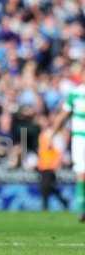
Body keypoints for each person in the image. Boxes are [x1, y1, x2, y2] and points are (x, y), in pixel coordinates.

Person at [50, 84, 85, 222]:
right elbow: (63, 115)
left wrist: (53, 132)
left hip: (79, 139)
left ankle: (82, 208)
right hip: (79, 138)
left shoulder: (75, 93)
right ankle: (82, 209)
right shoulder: (75, 93)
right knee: (81, 172)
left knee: (82, 173)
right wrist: (53, 132)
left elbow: (63, 116)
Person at [37, 117, 68, 211]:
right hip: (43, 164)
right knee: (48, 186)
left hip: (50, 165)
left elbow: (59, 150)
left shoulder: (52, 134)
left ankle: (44, 206)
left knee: (45, 186)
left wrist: (57, 163)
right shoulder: (43, 134)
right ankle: (63, 201)